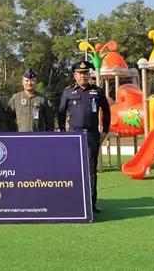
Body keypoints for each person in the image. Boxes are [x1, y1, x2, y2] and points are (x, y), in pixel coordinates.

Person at [57, 60, 110, 213]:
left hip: (92, 134)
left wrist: (104, 131)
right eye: (80, 74)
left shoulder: (97, 91)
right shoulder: (68, 92)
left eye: (85, 73)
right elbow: (61, 112)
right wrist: (63, 132)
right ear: (75, 76)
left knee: (91, 170)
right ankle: (73, 202)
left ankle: (91, 204)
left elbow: (106, 112)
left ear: (89, 75)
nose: (83, 76)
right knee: (73, 169)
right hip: (74, 135)